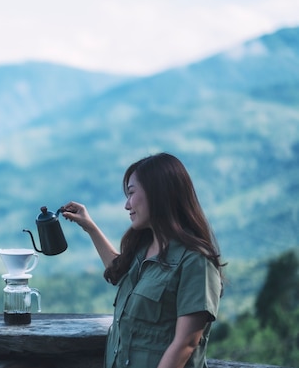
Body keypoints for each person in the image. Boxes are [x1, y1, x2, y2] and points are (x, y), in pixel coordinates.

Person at [61, 152, 224, 368]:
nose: (127, 205)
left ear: (158, 194)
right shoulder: (143, 248)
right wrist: (90, 227)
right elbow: (118, 271)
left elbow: (186, 342)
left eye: (131, 193)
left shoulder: (196, 261)